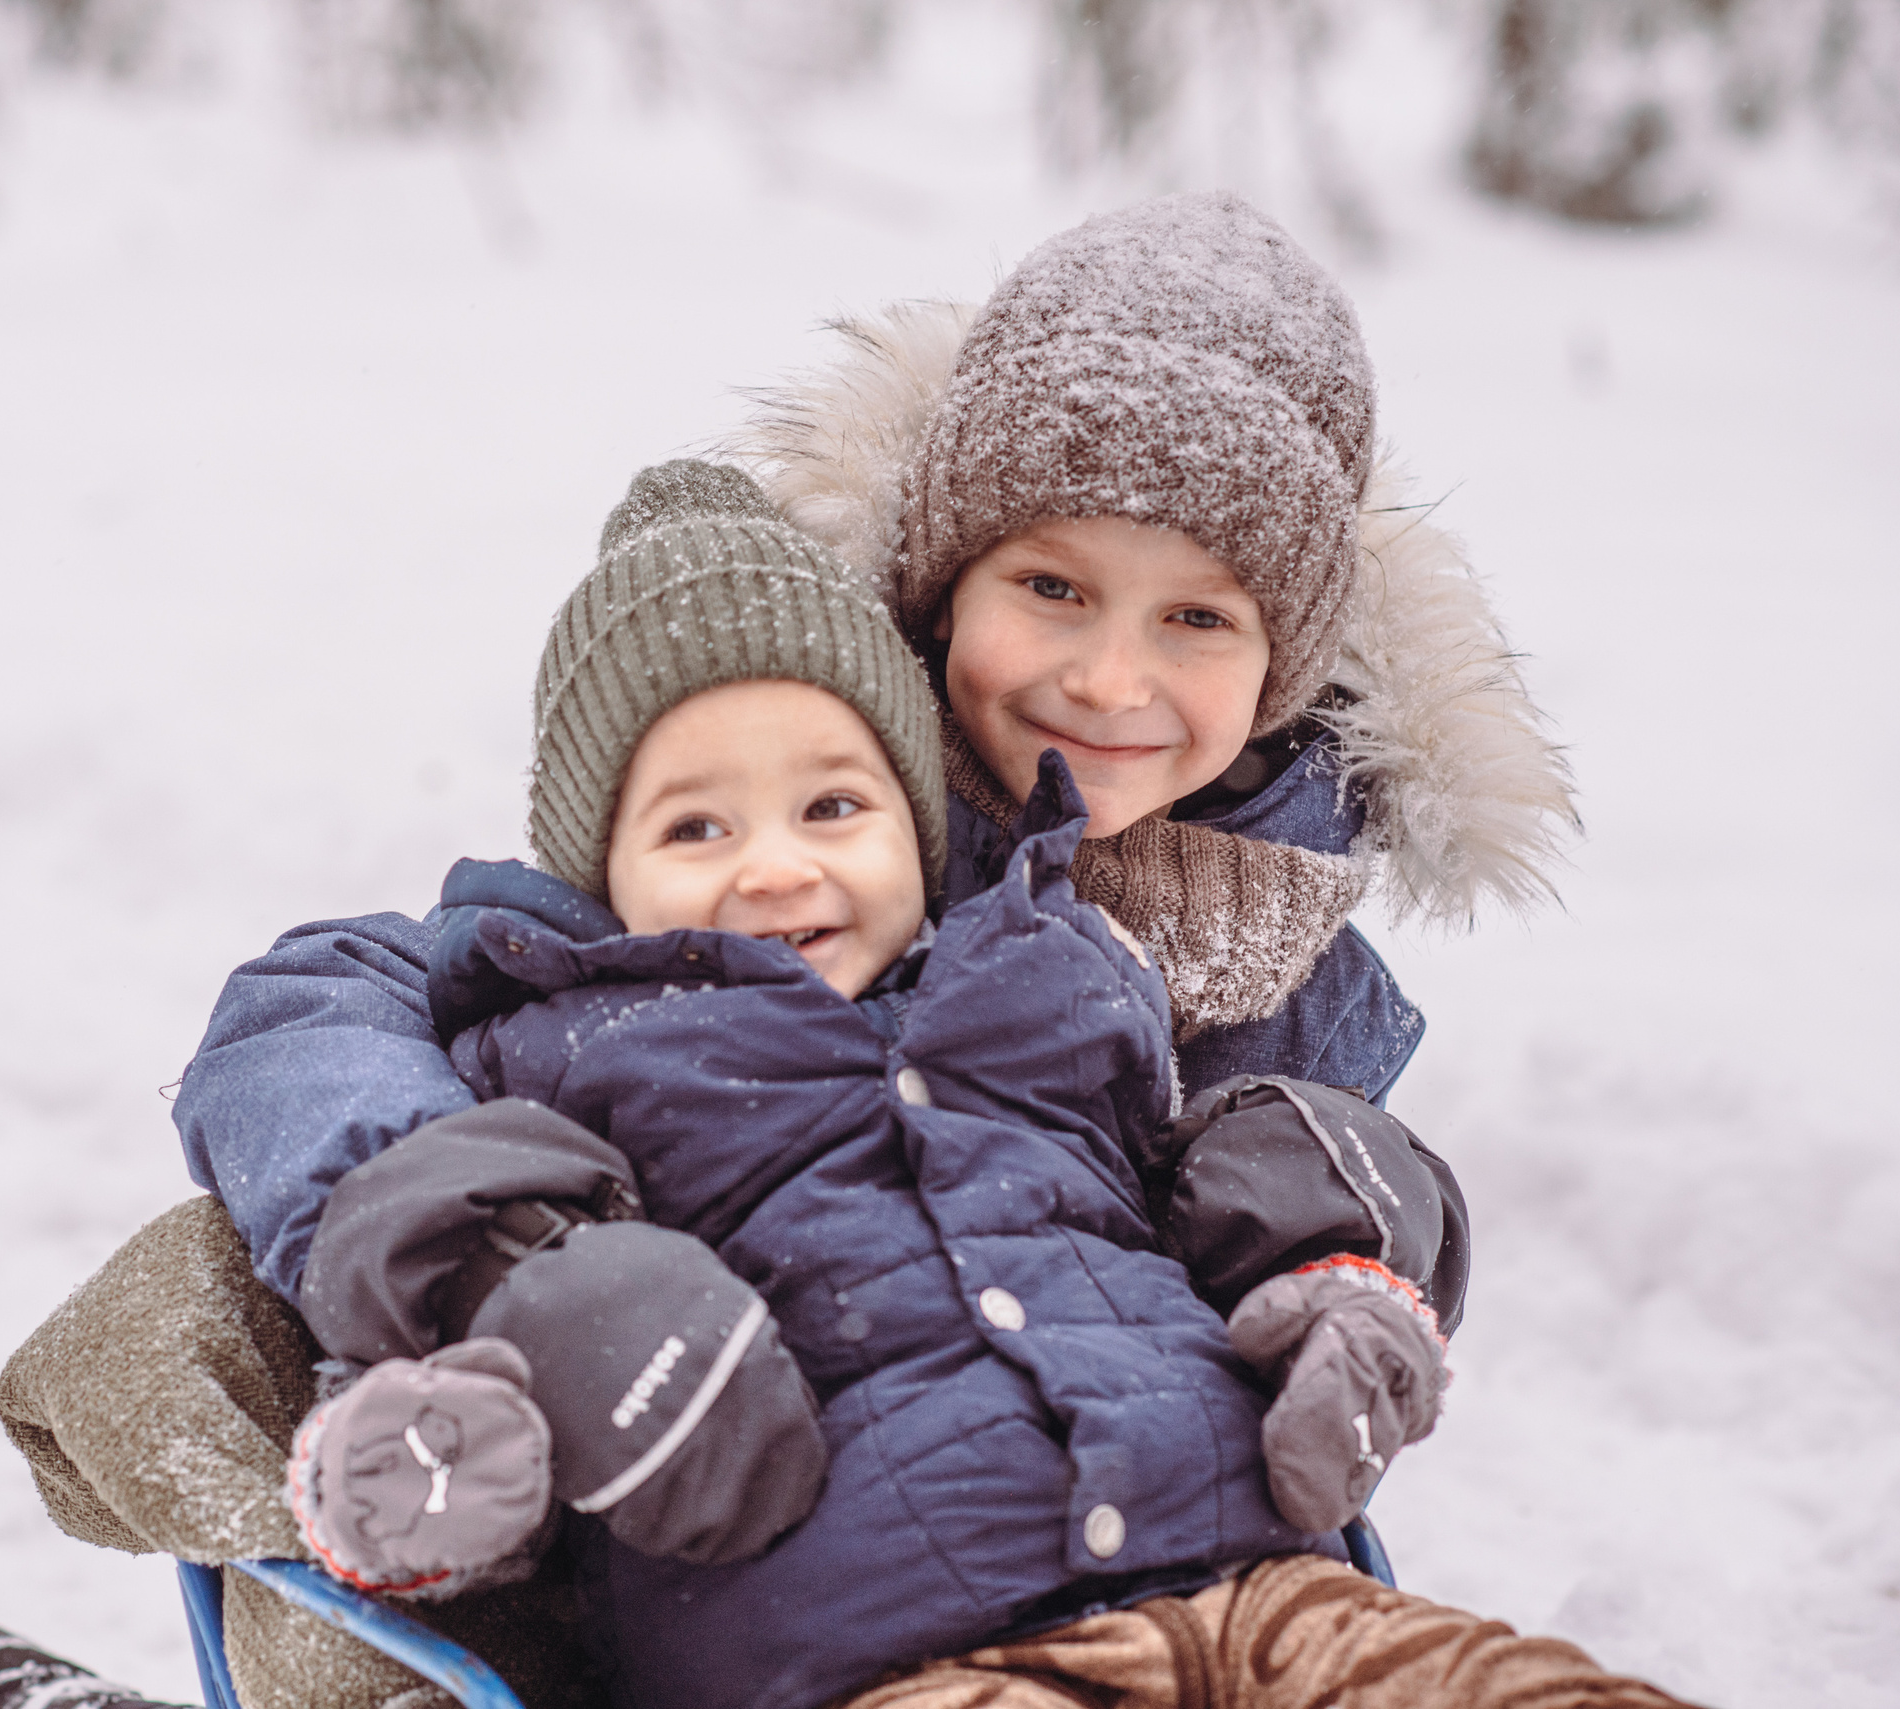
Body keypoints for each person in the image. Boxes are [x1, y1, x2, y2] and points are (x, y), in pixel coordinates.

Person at [0, 191, 1596, 1709]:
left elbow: (1267, 1215)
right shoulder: (774, 779)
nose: (1110, 680)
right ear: (943, 585)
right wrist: (517, 1260)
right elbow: (328, 1008)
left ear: (1291, 663)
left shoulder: (1283, 970)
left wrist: (1348, 1257)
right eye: (1051, 583)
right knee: (221, 1290)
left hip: (1194, 1553)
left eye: (1199, 617)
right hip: (728, 1520)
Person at [271, 454, 1502, 1709]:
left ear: (917, 831)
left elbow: (1216, 1172)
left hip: (1262, 1587)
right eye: (696, 827)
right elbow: (427, 1256)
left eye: (832, 805)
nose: (773, 868)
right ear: (601, 874)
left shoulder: (1053, 977)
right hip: (895, 1654)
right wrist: (448, 1440)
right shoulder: (559, 1054)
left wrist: (1336, 1251)